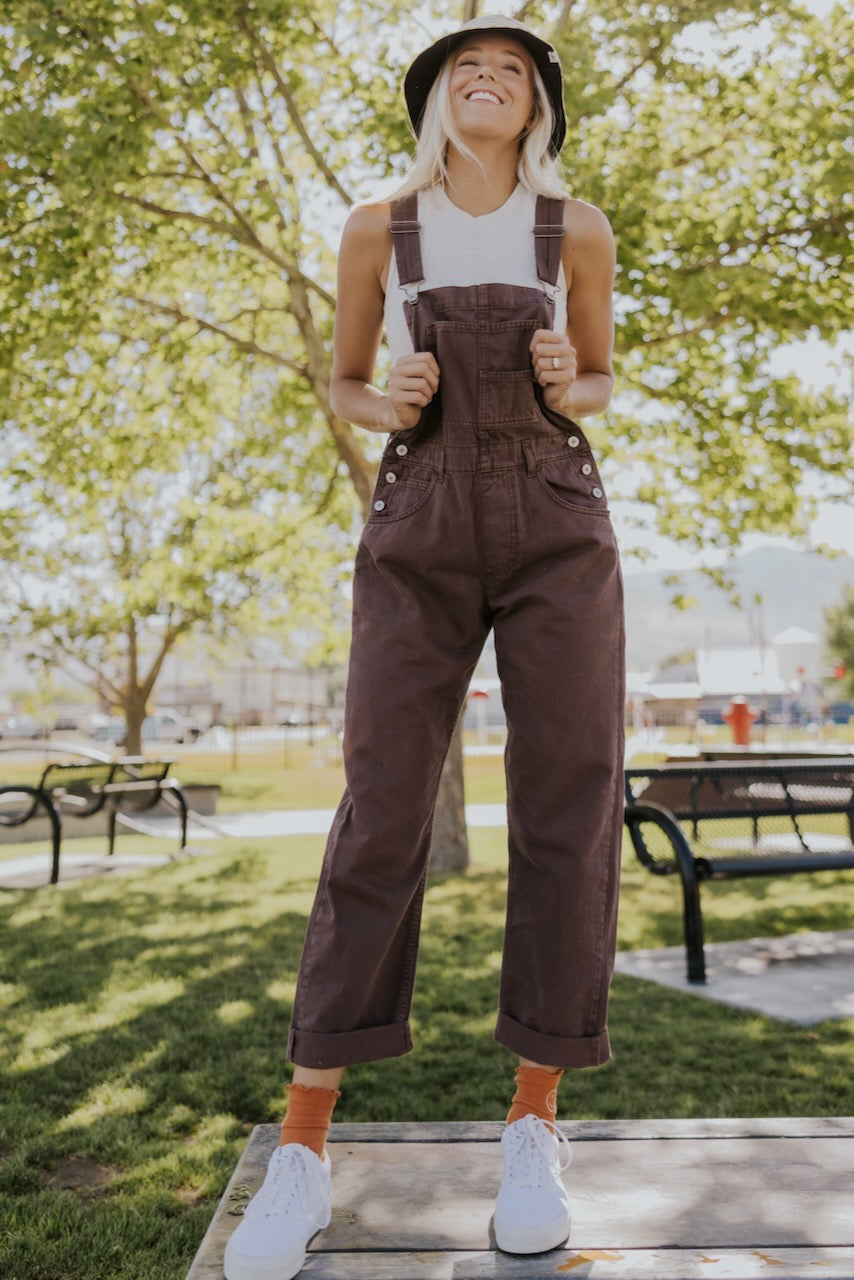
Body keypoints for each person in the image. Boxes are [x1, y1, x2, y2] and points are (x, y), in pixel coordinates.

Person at [224, 15, 624, 1280]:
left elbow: (606, 378)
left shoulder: (578, 230)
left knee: (567, 800)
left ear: (536, 107)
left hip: (558, 523)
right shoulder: (374, 228)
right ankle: (302, 1149)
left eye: (509, 68)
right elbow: (341, 379)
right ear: (436, 103)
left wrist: (572, 379)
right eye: (466, 67)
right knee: (381, 807)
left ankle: (532, 1124)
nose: (486, 78)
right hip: (420, 521)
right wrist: (380, 393)